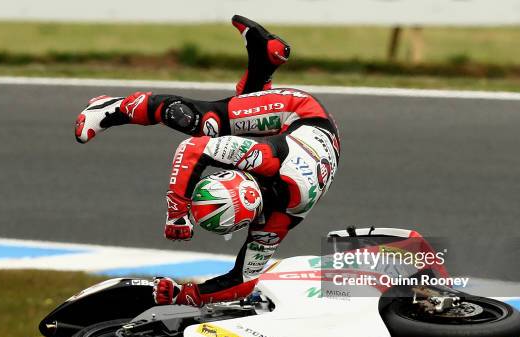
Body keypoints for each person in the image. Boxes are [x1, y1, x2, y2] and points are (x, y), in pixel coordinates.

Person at [74, 15, 340, 306]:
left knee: (238, 122)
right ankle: (112, 108)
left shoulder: (277, 219)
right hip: (302, 114)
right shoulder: (267, 163)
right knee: (205, 122)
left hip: (314, 149)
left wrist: (183, 295)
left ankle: (263, 61)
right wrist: (177, 212)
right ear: (240, 173)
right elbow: (192, 149)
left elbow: (243, 282)